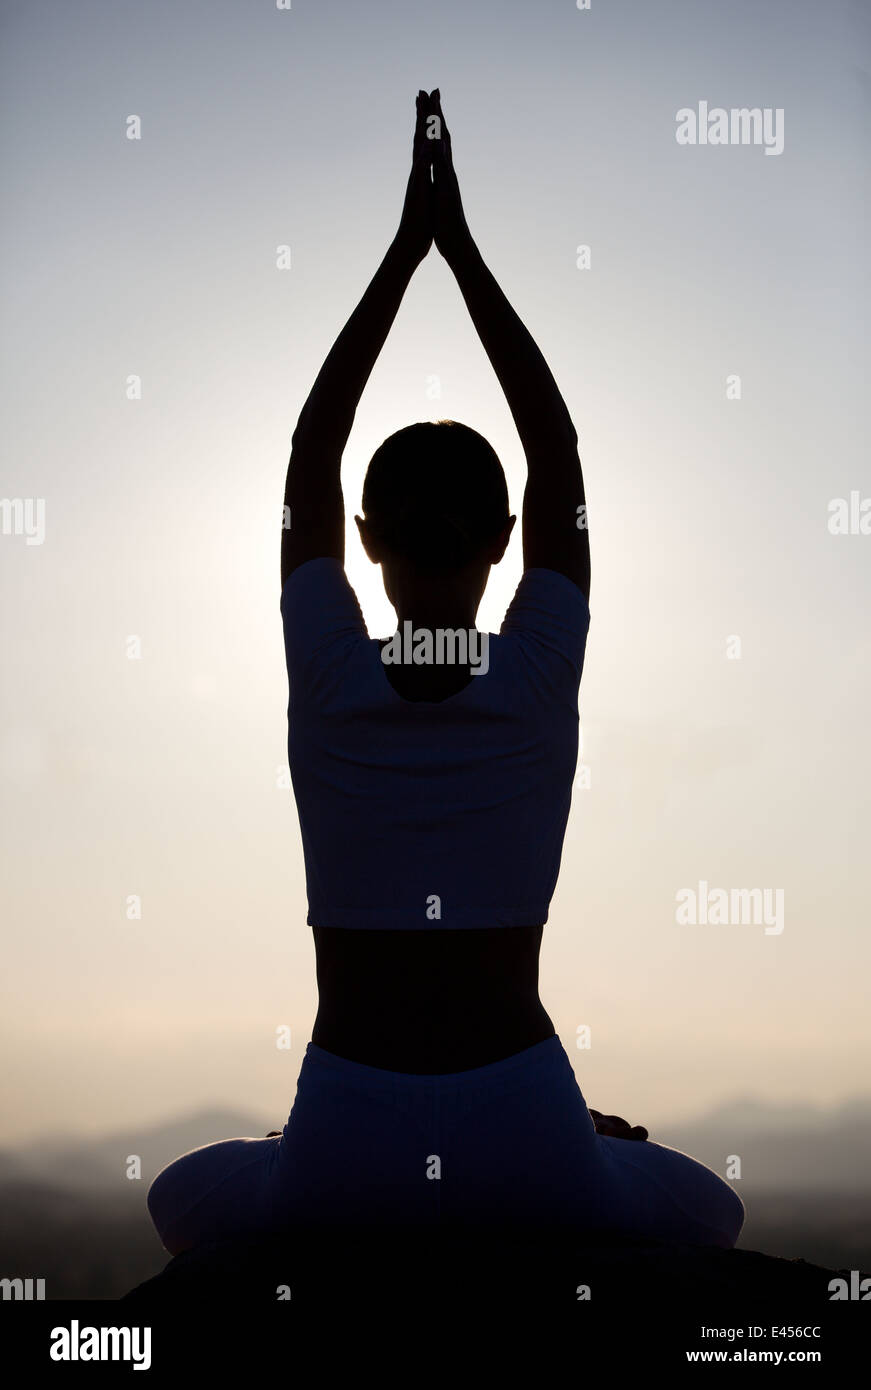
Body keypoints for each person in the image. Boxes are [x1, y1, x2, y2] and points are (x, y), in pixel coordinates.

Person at [147, 91, 744, 1256]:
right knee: (707, 1209)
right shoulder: (534, 671)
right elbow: (556, 450)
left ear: (366, 541)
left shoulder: (326, 669)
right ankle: (584, 1149)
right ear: (501, 540)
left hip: (345, 1133)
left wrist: (402, 252)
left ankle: (293, 1156)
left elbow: (310, 448)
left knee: (182, 1190)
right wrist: (460, 250)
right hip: (526, 1118)